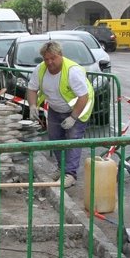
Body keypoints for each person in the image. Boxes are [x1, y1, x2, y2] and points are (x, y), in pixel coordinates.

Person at [26, 40, 93, 188]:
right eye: (46, 59)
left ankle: (70, 174)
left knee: (73, 140)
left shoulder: (72, 71)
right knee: (55, 139)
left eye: (53, 58)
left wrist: (73, 117)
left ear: (60, 55)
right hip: (56, 108)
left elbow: (83, 97)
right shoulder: (40, 69)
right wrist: (32, 106)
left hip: (78, 108)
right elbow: (32, 89)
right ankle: (62, 168)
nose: (50, 62)